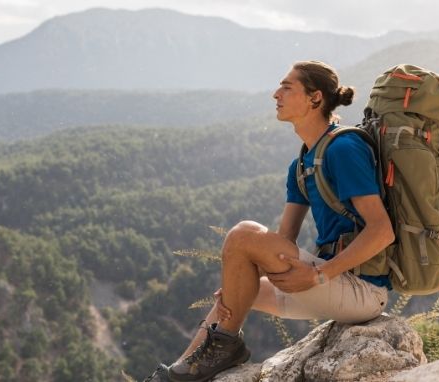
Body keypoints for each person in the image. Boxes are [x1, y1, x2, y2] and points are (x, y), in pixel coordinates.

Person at [143, 60, 394, 382]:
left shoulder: (344, 148)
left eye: (287, 87)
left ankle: (220, 350)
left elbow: (382, 231)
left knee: (244, 232)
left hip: (364, 291)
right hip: (329, 284)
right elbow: (283, 241)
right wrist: (237, 284)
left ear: (315, 98)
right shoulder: (302, 162)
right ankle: (181, 372)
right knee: (228, 296)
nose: (276, 94)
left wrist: (319, 275)